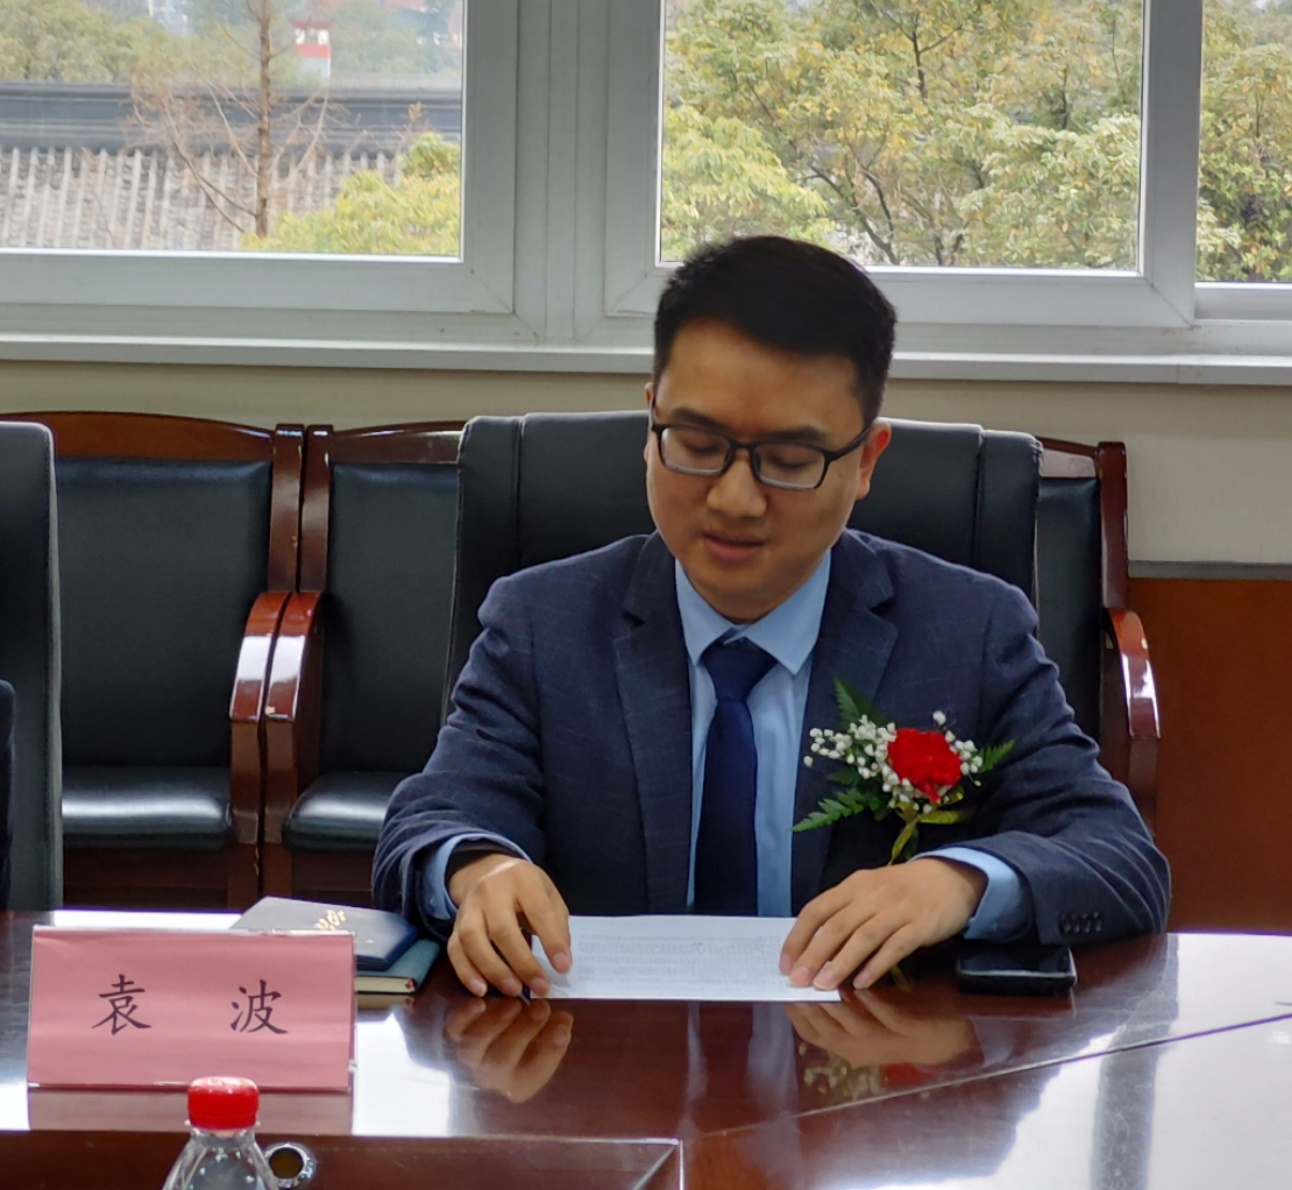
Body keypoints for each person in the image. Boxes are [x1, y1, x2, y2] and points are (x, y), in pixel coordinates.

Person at [373, 235, 1169, 999]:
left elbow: (1119, 855)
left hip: (869, 1066)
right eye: (696, 444)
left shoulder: (970, 630)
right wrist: (480, 869)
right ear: (650, 422)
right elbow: (432, 821)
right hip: (599, 1055)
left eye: (789, 462)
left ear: (866, 462)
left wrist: (958, 880)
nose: (734, 499)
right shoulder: (542, 621)